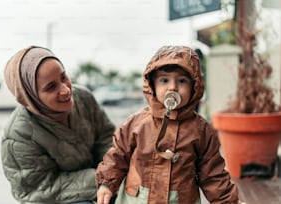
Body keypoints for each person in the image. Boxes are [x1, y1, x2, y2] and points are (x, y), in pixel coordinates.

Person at [96, 46, 239, 204]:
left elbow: (212, 174)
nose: (173, 87)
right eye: (164, 80)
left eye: (182, 81)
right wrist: (107, 183)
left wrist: (228, 201)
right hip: (138, 198)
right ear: (152, 85)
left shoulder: (201, 130)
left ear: (194, 87)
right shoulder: (137, 123)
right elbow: (117, 155)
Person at [1, 45, 115, 204]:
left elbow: (106, 139)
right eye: (50, 87)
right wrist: (101, 178)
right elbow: (41, 188)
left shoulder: (83, 98)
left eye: (63, 77)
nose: (66, 90)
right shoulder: (18, 136)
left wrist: (112, 170)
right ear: (30, 97)